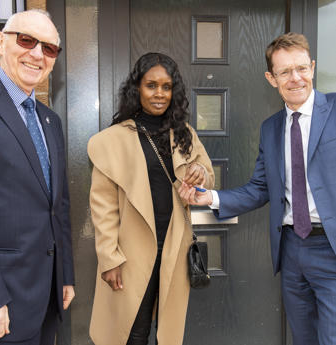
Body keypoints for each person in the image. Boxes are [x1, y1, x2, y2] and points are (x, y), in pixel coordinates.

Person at [179, 32, 336, 345]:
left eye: (302, 68)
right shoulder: (271, 128)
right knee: (303, 337)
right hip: (291, 251)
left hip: (331, 248)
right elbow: (260, 188)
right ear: (271, 78)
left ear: (313, 67)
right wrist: (209, 197)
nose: (295, 78)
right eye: (284, 72)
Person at [88, 52, 214, 345]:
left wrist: (198, 172)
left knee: (167, 333)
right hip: (131, 252)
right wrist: (109, 259)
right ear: (137, 89)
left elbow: (207, 175)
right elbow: (103, 208)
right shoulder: (112, 140)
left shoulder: (184, 134)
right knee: (132, 332)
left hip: (174, 247)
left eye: (166, 87)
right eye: (151, 85)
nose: (159, 94)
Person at [0, 9, 75, 345]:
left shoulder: (50, 120)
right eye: (27, 40)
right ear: (0, 42)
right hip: (2, 302)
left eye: (50, 48)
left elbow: (59, 207)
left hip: (47, 300)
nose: (37, 54)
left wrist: (65, 276)